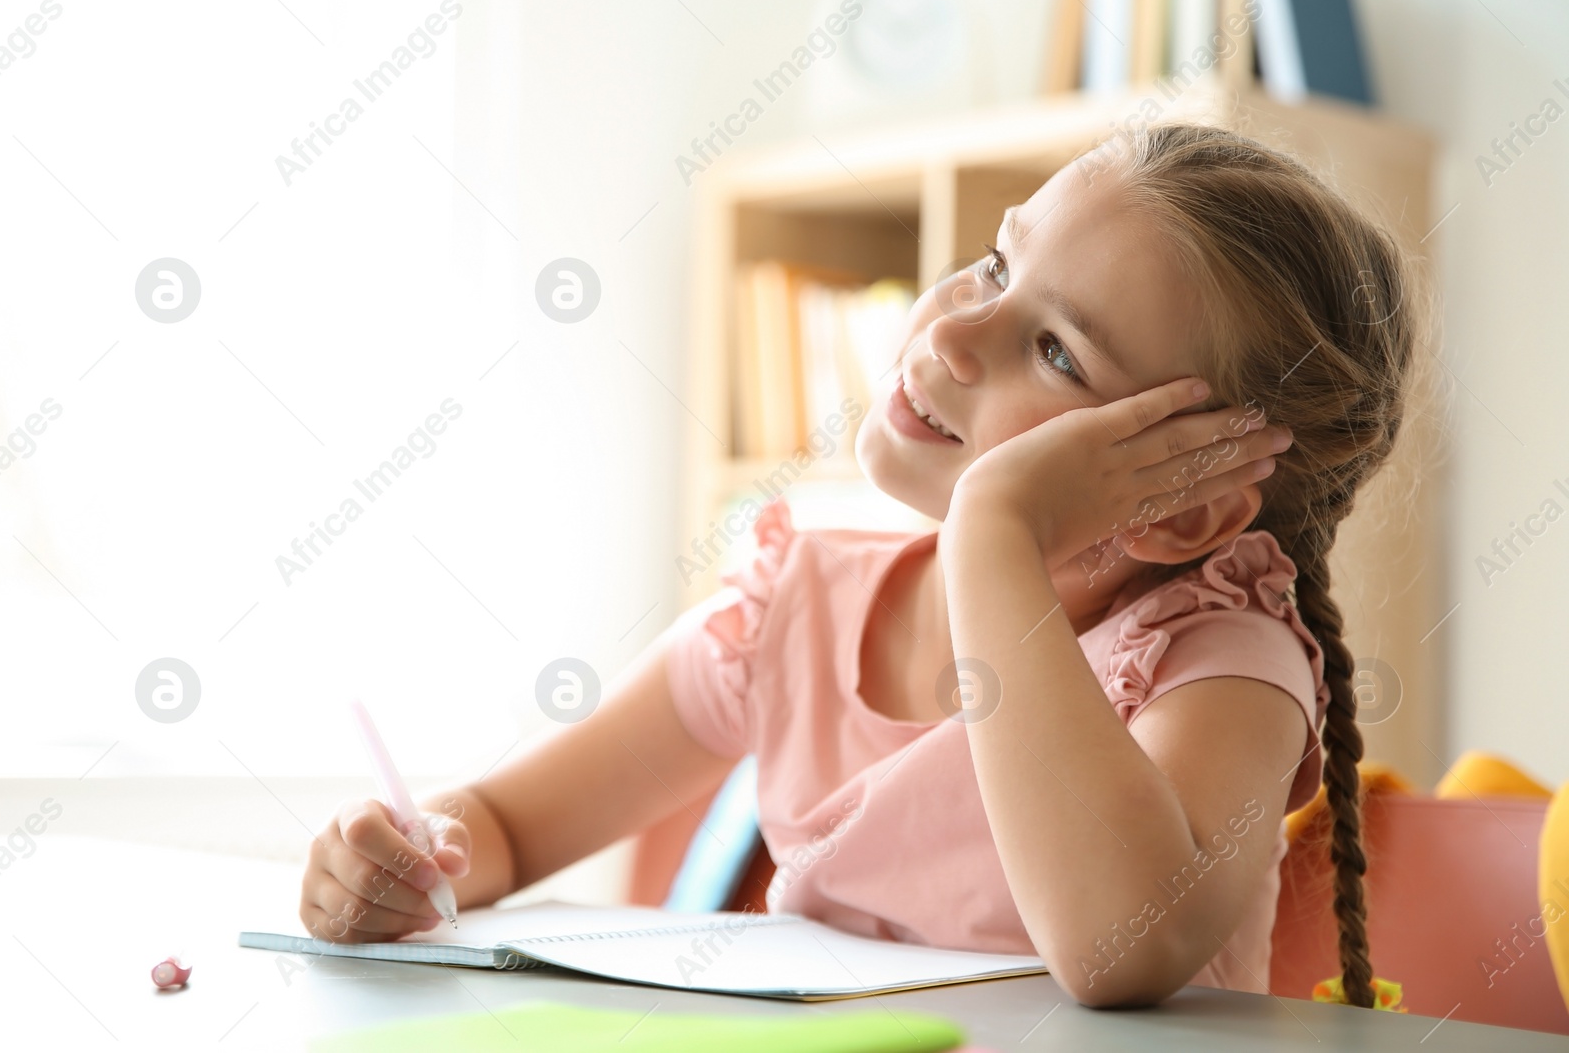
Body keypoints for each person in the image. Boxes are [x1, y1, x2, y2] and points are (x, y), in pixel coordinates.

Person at [296, 123, 1420, 1009]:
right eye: (993, 264)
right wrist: (402, 859)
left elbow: (1118, 950)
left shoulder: (1223, 662)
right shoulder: (793, 607)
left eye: (1055, 350)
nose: (949, 333)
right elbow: (503, 824)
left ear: (1183, 508)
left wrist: (994, 536)